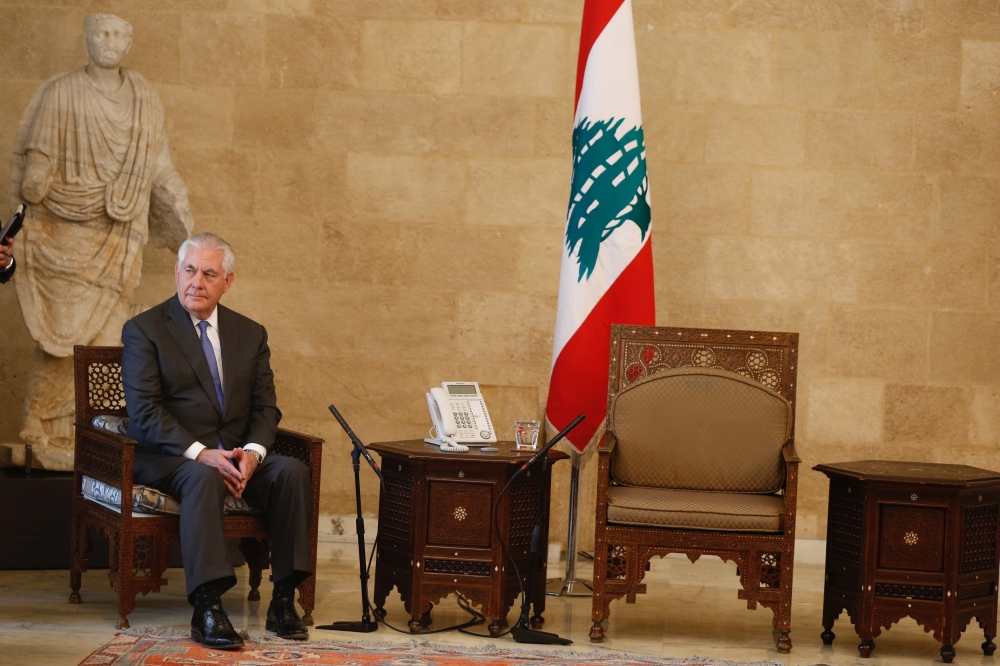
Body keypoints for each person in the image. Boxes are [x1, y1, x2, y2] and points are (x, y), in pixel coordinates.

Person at [11, 13, 193, 468]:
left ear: (128, 43)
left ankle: (92, 429)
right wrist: (35, 175)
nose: (109, 42)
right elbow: (39, 153)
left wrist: (178, 206)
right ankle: (40, 423)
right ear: (88, 40)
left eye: (117, 35)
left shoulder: (144, 99)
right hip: (62, 231)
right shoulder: (61, 91)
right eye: (101, 34)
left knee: (108, 334)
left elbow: (158, 161)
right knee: (59, 337)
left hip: (118, 232)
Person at [120, 233, 312, 649]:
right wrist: (203, 454)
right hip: (170, 456)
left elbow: (266, 409)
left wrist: (254, 456)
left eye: (209, 273)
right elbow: (145, 414)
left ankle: (283, 599)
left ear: (228, 282)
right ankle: (207, 606)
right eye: (190, 270)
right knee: (202, 477)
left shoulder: (250, 333)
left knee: (292, 472)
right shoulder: (145, 330)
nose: (197, 282)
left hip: (236, 455)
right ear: (177, 273)